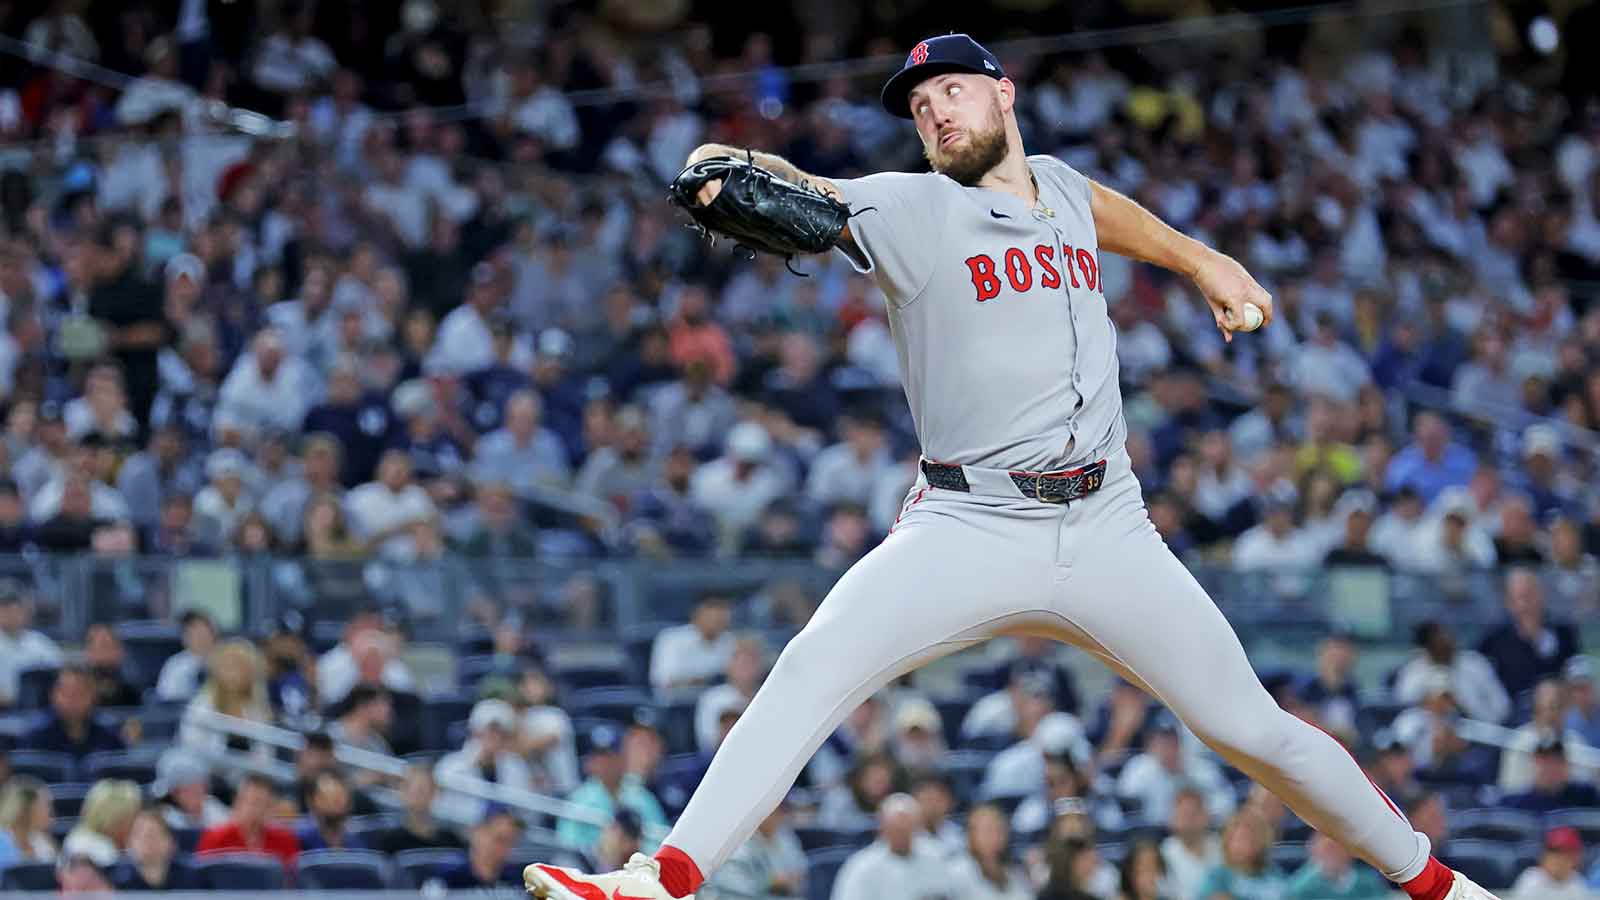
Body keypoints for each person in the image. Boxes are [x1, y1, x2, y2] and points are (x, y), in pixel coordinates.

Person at [524, 33, 1492, 900]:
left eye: (947, 89)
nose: (931, 110)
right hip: (969, 524)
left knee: (1253, 731)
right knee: (814, 665)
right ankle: (660, 880)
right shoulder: (913, 211)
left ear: (1003, 94)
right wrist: (714, 171)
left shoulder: (1062, 189)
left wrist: (1201, 262)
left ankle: (1442, 889)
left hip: (1109, 525)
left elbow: (1104, 213)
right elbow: (798, 190)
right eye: (915, 106)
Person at [556, 723, 668, 851]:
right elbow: (569, 846)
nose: (604, 763)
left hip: (640, 866)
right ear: (590, 762)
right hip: (594, 868)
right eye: (598, 757)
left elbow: (660, 841)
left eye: (610, 756)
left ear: (623, 759)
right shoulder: (579, 800)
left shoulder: (641, 797)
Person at [1476, 568, 1578, 700]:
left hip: (1557, 708)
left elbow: (1575, 672)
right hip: (1513, 713)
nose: (1527, 604)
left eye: (1531, 595)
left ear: (1542, 595)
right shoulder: (1494, 638)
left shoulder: (1563, 632)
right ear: (1509, 603)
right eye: (1521, 598)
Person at [827, 793, 948, 900]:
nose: (901, 834)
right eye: (896, 829)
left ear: (917, 827)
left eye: (907, 827)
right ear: (883, 828)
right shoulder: (861, 866)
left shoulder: (936, 856)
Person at [435, 699, 534, 820]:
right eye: (490, 731)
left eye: (501, 733)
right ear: (475, 731)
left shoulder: (516, 765)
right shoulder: (450, 766)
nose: (495, 738)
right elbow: (440, 810)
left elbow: (526, 812)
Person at [195, 773, 300, 868]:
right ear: (237, 802)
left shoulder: (286, 840)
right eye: (245, 800)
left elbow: (292, 883)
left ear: (271, 807)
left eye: (258, 802)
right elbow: (202, 882)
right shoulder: (215, 838)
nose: (250, 808)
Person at [20, 665, 125, 759]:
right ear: (52, 696)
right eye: (65, 693)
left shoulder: (110, 735)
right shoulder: (34, 736)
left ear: (94, 697)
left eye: (79, 693)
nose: (72, 700)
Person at [1192, 810, 1286, 900]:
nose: (1239, 845)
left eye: (1246, 839)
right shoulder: (1217, 877)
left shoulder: (1274, 875)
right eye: (1235, 839)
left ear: (1260, 843)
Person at [375, 765, 465, 854]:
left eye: (421, 790)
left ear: (435, 793)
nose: (415, 795)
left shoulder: (452, 841)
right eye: (409, 788)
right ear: (401, 793)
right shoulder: (389, 842)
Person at [948, 803, 1031, 900]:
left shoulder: (1013, 870)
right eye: (987, 829)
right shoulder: (957, 871)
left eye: (999, 829)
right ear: (971, 833)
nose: (995, 835)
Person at [0, 581, 62, 707]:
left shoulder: (41, 644)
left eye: (16, 609)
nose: (11, 614)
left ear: (26, 612)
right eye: (5, 609)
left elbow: (60, 676)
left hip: (42, 708)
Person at [1500, 739, 1600, 813]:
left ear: (1566, 765)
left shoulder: (1585, 796)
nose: (1550, 767)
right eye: (1544, 761)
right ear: (1533, 763)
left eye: (1557, 761)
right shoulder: (1513, 803)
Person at [112, 807, 199, 891]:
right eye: (141, 835)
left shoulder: (195, 877)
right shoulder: (115, 880)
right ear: (128, 843)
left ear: (171, 842)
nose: (148, 841)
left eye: (154, 834)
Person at [435, 808, 524, 889]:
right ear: (478, 833)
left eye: (511, 843)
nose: (504, 848)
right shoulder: (447, 874)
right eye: (499, 839)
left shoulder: (516, 880)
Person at [1159, 785, 1221, 900]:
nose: (1189, 820)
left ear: (1207, 816)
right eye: (1184, 814)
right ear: (1172, 819)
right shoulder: (1163, 854)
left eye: (1194, 813)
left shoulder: (1223, 846)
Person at [1286, 832, 1392, 899]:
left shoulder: (1368, 881)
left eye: (1337, 848)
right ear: (1315, 851)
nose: (1334, 854)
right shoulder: (1302, 886)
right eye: (1328, 849)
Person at [62, 779, 140, 868]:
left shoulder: (129, 845)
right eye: (132, 816)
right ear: (115, 819)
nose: (137, 822)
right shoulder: (84, 845)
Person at [1506, 826, 1588, 900]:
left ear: (1575, 859)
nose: (1558, 861)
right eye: (1554, 853)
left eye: (1565, 855)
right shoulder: (1530, 880)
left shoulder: (1578, 884)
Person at [155, 610, 218, 702]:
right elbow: (167, 702)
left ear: (213, 633)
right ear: (184, 638)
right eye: (190, 630)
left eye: (201, 629)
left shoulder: (228, 660)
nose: (198, 635)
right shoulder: (175, 666)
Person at [296, 771, 362, 851]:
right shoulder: (298, 837)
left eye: (339, 796)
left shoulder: (360, 838)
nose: (333, 802)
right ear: (310, 801)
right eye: (326, 797)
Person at [0, 776, 57, 867]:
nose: (51, 813)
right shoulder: (3, 843)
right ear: (25, 811)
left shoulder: (41, 841)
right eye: (46, 805)